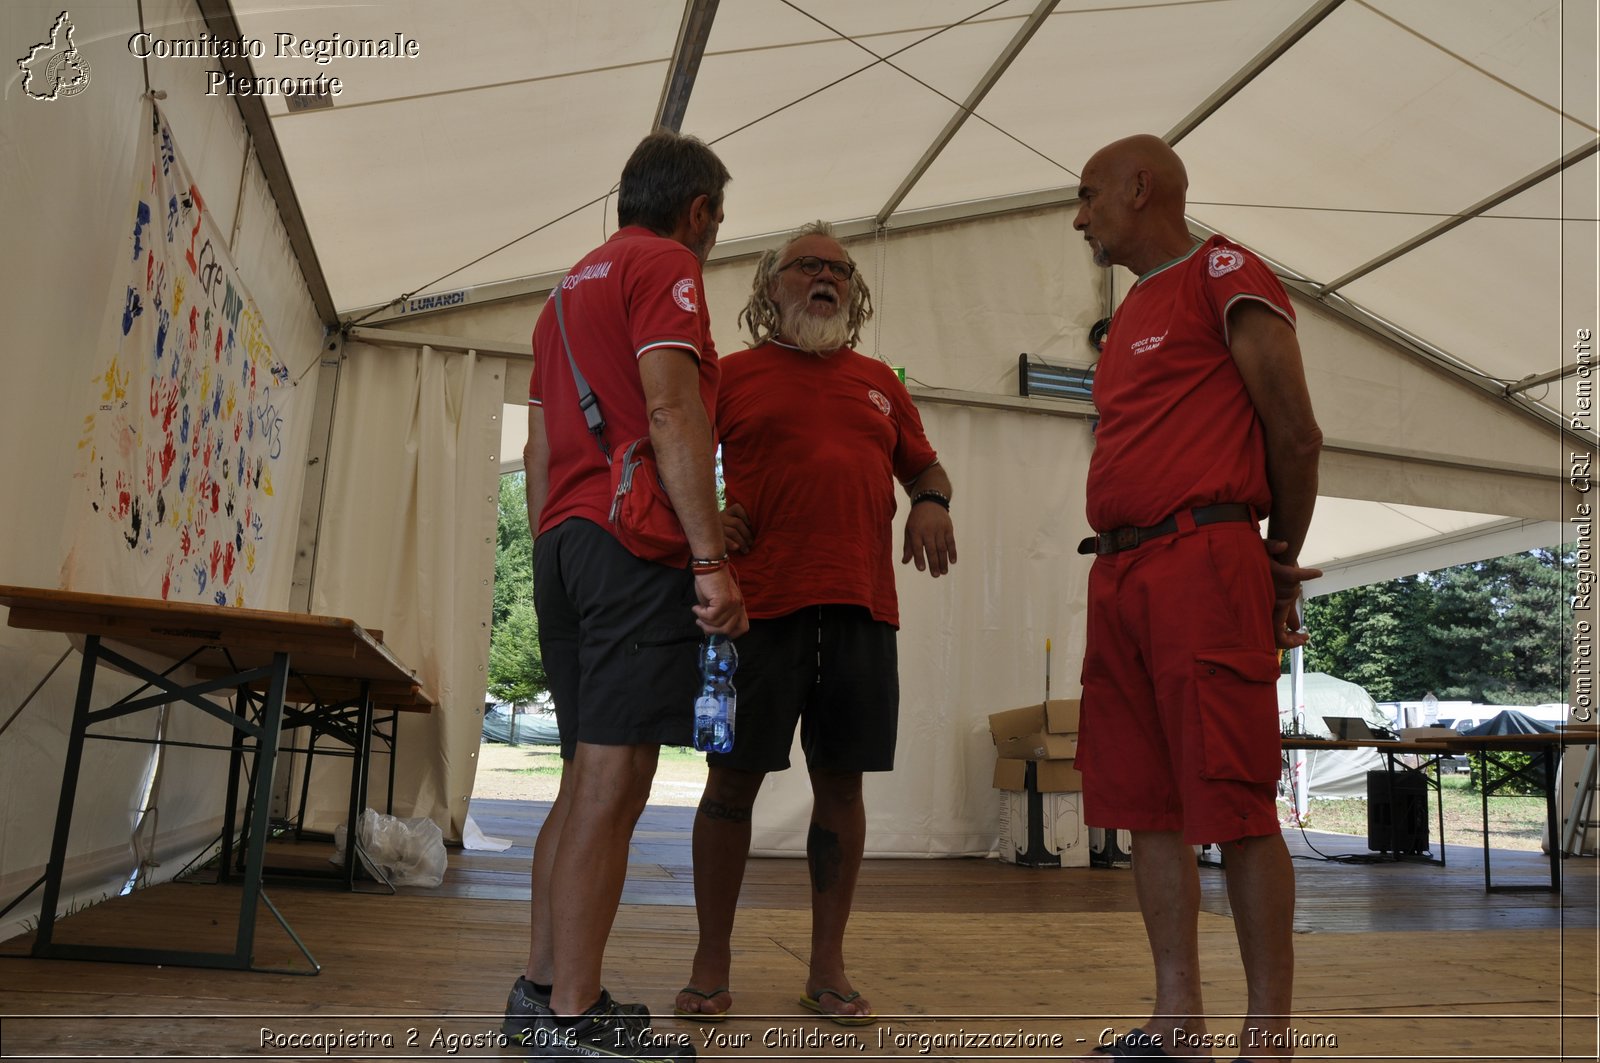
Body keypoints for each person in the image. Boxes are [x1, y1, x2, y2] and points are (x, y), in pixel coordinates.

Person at [1070, 135, 1322, 1061]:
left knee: (1237, 800)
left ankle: (1269, 1036)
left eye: (1089, 194)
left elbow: (1295, 433)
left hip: (1203, 555)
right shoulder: (1135, 304)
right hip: (1121, 569)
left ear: (1140, 188)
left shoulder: (1225, 271)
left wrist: (1277, 558)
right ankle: (1177, 1020)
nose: (1080, 215)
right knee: (1146, 802)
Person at [673, 221, 956, 1026]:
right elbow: (675, 454)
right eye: (807, 266)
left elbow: (923, 462)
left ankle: (827, 970)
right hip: (754, 611)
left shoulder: (878, 380)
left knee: (842, 785)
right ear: (770, 287)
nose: (825, 278)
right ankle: (710, 962)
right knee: (730, 783)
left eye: (838, 268)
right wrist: (706, 524)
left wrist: (930, 499)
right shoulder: (730, 374)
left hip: (863, 606)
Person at [506, 130, 748, 1061]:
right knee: (615, 780)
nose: (716, 237)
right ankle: (572, 1017)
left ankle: (543, 990)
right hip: (629, 541)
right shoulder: (666, 267)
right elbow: (672, 406)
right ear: (697, 211)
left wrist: (551, 547)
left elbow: (536, 448)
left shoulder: (563, 292)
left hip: (564, 542)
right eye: (718, 219)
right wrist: (707, 556)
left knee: (581, 777)